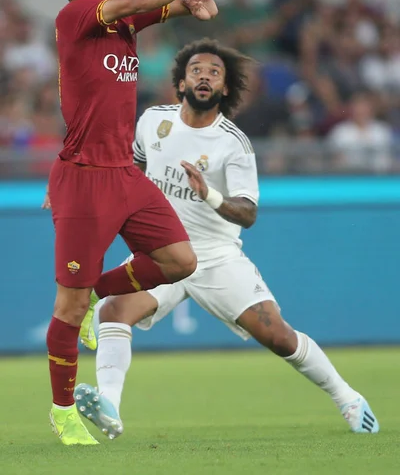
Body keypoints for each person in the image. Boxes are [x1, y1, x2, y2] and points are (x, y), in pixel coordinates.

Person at [73, 39, 379, 439]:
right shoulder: (152, 122)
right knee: (112, 312)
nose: (205, 76)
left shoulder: (232, 143)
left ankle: (349, 399)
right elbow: (130, 168)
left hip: (215, 256)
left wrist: (209, 195)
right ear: (180, 83)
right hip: (163, 254)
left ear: (225, 89)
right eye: (196, 70)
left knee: (278, 336)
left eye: (215, 73)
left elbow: (248, 213)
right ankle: (110, 406)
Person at [45, 0, 242, 446]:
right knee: (65, 312)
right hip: (85, 178)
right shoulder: (75, 17)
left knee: (179, 261)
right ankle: (63, 412)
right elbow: (139, 0)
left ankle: (96, 292)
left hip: (125, 174)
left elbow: (170, 5)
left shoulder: (122, 25)